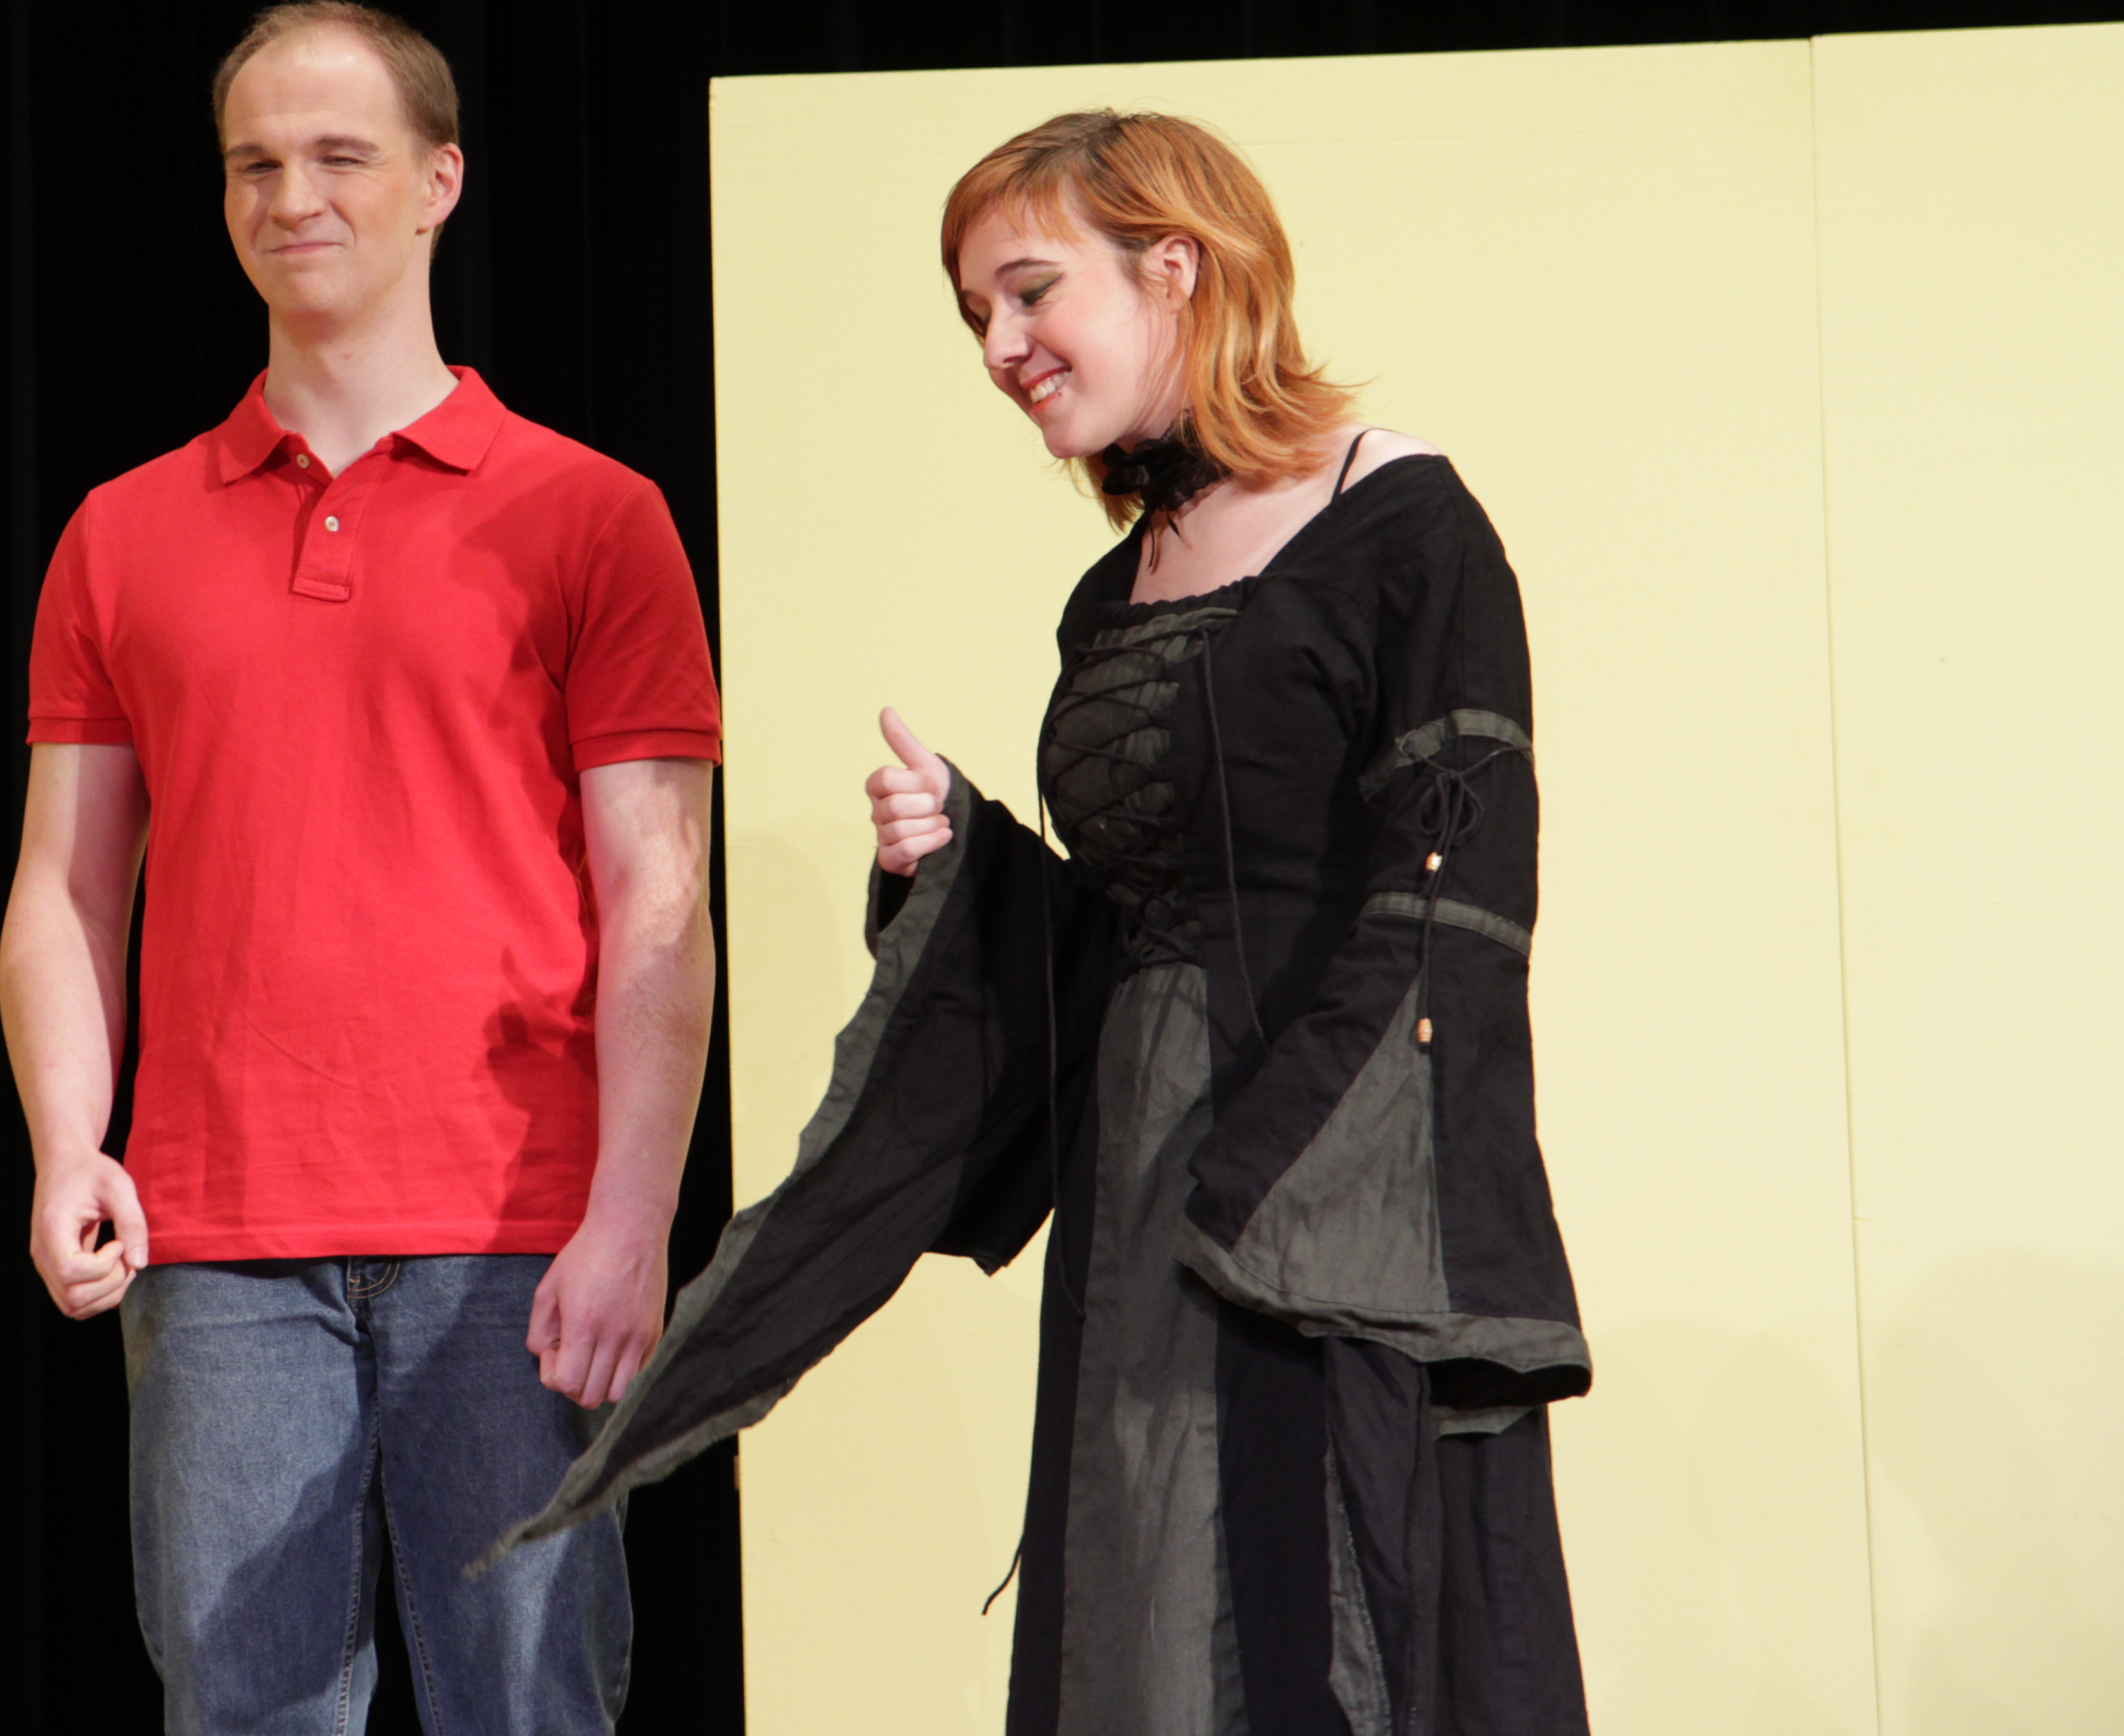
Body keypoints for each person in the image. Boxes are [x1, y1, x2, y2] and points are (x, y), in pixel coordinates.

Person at [502, 111, 1590, 1735]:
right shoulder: (1115, 592)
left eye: (1029, 292)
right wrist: (964, 866)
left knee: (1313, 1626)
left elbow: (1456, 891)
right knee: (1139, 1620)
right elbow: (1123, 940)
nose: (1001, 348)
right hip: (1145, 1198)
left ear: (1178, 266)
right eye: (976, 317)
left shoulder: (1402, 525)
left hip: (1327, 1206)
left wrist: (1265, 1180)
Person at [0, 0, 721, 1735]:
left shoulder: (591, 514)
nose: (291, 197)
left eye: (340, 156)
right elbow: (66, 889)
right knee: (244, 1715)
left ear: (438, 183)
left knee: (533, 1709)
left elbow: (663, 902)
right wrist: (67, 1144)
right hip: (218, 1240)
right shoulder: (121, 530)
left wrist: (633, 1216)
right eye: (254, 163)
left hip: (518, 1239)